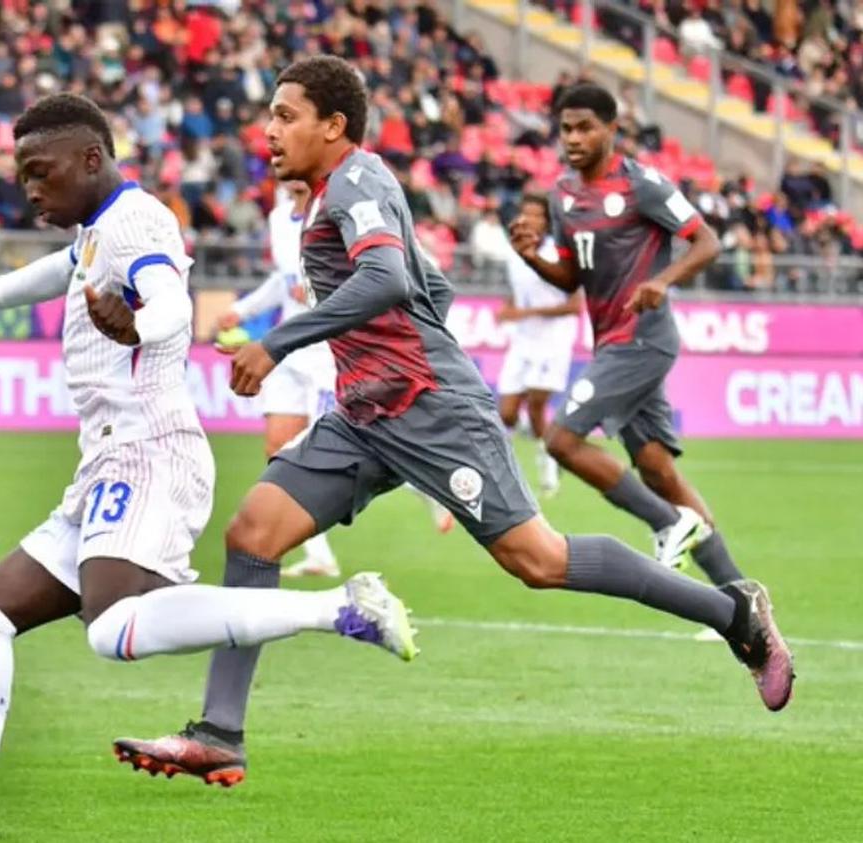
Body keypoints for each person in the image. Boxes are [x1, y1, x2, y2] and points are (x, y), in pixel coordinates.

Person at [112, 58, 794, 789]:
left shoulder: (356, 180)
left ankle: (733, 612)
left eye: (285, 115)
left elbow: (391, 279)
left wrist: (279, 342)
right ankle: (220, 732)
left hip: (431, 407)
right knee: (253, 534)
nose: (268, 129)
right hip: (366, 412)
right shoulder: (331, 196)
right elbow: (424, 280)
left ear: (333, 126)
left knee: (539, 560)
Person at [0, 93, 418, 838]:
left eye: (40, 172)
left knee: (110, 626)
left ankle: (339, 607)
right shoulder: (98, 231)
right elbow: (64, 269)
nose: (30, 189)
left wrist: (138, 320)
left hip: (149, 451)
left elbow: (173, 300)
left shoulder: (139, 220)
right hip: (107, 460)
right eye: (22, 176)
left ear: (90, 159)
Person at [511, 83, 757, 581]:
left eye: (585, 128)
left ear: (611, 130)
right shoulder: (562, 197)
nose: (574, 138)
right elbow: (571, 278)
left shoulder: (641, 185)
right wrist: (532, 256)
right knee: (658, 471)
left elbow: (706, 242)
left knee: (560, 440)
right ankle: (740, 598)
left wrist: (663, 282)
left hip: (643, 339)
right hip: (611, 342)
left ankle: (668, 524)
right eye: (566, 129)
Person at [216, 179, 342, 577]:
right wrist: (243, 309)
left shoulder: (337, 210)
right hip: (289, 346)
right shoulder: (277, 218)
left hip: (329, 348)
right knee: (278, 447)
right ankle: (319, 554)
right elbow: (283, 280)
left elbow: (369, 276)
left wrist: (323, 293)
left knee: (329, 447)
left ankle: (422, 484)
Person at [494, 192, 583, 498]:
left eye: (537, 215)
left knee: (535, 406)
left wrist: (524, 313)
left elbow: (574, 306)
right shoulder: (515, 251)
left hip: (553, 339)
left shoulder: (559, 253)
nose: (529, 220)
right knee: (506, 413)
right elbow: (519, 293)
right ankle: (544, 444)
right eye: (525, 213)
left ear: (548, 221)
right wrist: (508, 309)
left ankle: (548, 459)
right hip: (523, 339)